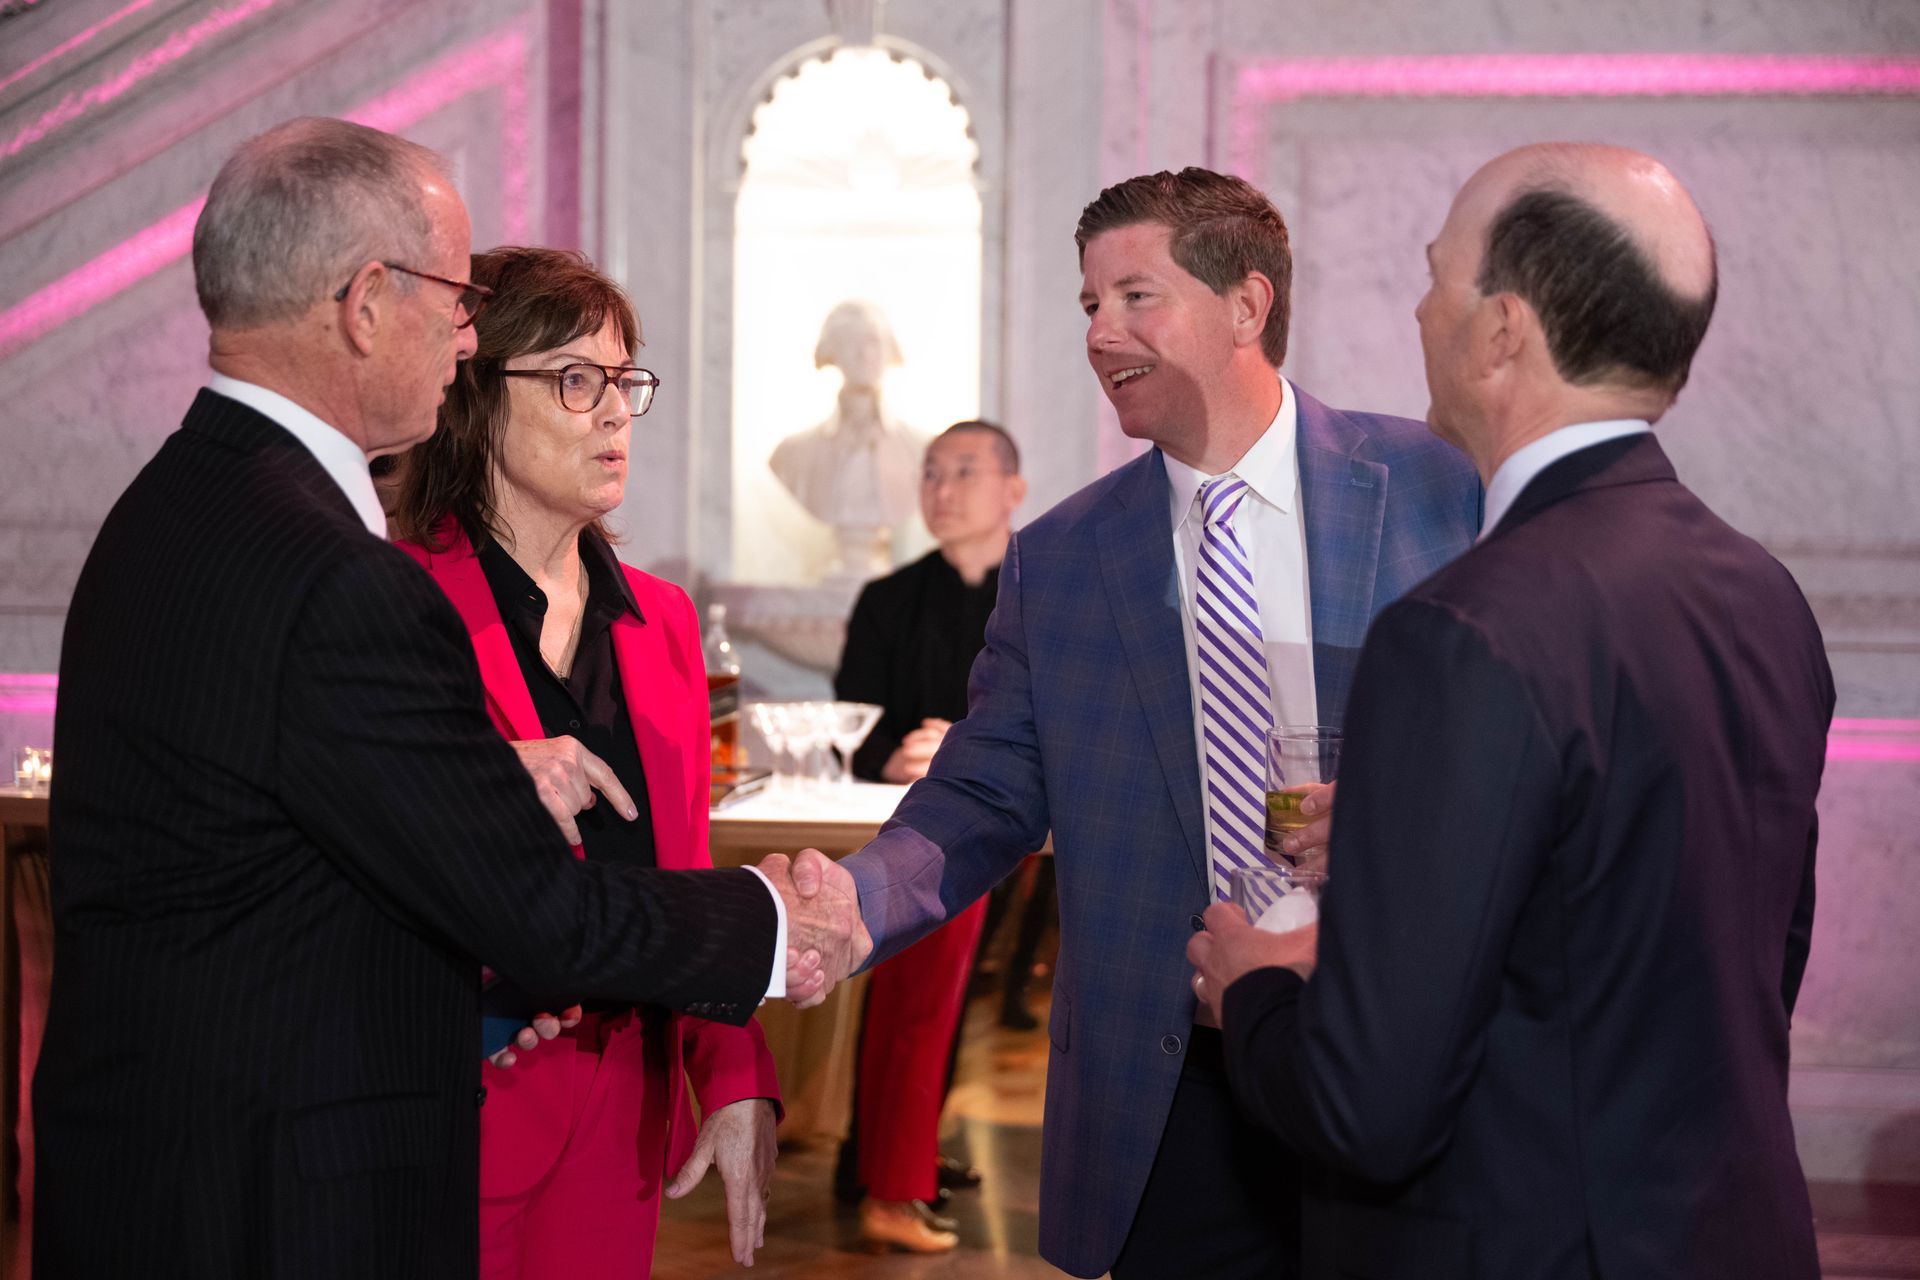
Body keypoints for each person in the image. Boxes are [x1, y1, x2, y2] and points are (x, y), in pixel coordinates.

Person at [34, 117, 862, 1279]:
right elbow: (538, 914)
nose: (462, 331)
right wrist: (777, 922)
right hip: (320, 1163)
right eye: (455, 297)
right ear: (368, 302)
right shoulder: (347, 580)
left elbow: (294, 820)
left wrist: (727, 1065)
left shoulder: (179, 506)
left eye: (627, 379)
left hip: (205, 1156)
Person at [806, 167, 1482, 1278]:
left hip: (1397, 1051)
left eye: (1135, 296)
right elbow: (982, 792)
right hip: (1175, 1091)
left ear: (1247, 306)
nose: (1100, 332)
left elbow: (1524, 746)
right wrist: (854, 901)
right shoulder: (1063, 560)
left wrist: (1395, 820)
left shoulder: (1435, 486)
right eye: (1088, 304)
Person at [1189, 144, 1833, 1280]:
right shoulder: (1759, 589)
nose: (1422, 308)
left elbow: (1365, 1104)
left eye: (1439, 276)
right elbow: (1722, 953)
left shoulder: (1464, 628)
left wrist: (1261, 991)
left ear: (1502, 332)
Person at [391, 246, 781, 1275]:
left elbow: (683, 874)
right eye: (574, 379)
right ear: (475, 391)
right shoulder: (393, 598)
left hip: (625, 1096)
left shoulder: (662, 619)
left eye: (623, 381)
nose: (614, 412)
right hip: (456, 1081)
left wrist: (733, 1075)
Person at [829, 420, 1026, 1251]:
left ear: (1013, 490)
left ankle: (900, 1158)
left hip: (1031, 825)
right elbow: (857, 726)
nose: (942, 490)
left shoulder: (1043, 588)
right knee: (915, 999)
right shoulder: (889, 599)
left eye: (965, 473)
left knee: (957, 1002)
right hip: (924, 829)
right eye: (931, 474)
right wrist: (910, 750)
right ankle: (882, 1169)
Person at [768, 299, 929, 579]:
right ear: (832, 353)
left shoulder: (922, 449)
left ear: (890, 350)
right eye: (851, 342)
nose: (865, 354)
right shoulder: (793, 453)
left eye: (874, 342)